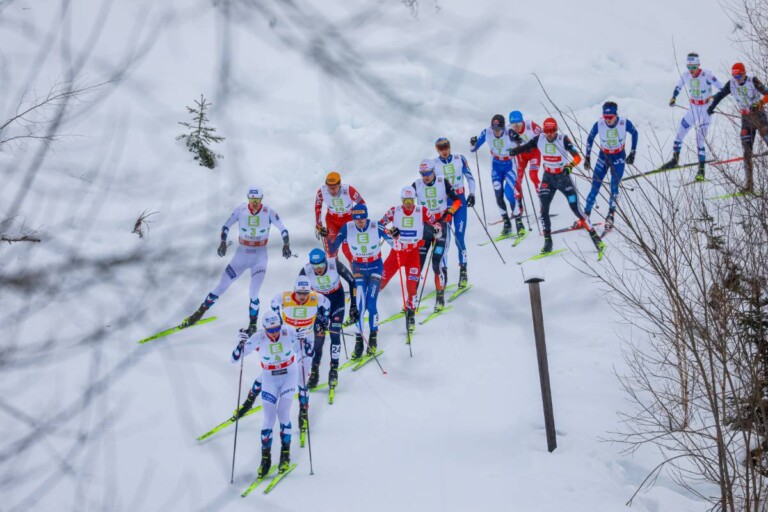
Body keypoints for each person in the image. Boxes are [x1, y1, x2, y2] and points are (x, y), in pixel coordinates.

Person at [182, 186, 291, 334]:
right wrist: (222, 242)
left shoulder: (268, 212)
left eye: (257, 200)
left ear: (261, 200)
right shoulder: (241, 210)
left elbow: (283, 229)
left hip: (259, 257)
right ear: (248, 199)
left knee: (253, 293)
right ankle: (198, 314)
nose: (254, 203)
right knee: (221, 286)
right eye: (252, 200)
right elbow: (226, 226)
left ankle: (252, 325)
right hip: (241, 255)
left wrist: (286, 244)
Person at [509, 118, 605, 254]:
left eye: (552, 131)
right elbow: (527, 147)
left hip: (563, 178)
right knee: (543, 210)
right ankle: (548, 243)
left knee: (576, 210)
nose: (549, 134)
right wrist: (516, 151)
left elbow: (577, 157)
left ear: (556, 129)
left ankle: (597, 240)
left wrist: (570, 167)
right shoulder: (539, 139)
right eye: (547, 131)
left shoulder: (563, 139)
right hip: (548, 178)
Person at [231, 311, 308, 477]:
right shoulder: (259, 337)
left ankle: (285, 455)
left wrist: (304, 341)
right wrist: (241, 344)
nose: (274, 333)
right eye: (270, 330)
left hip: (289, 374)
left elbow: (308, 353)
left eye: (277, 329)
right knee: (268, 418)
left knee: (283, 414)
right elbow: (234, 358)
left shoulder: (289, 331)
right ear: (264, 328)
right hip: (269, 377)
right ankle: (265, 460)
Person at [270, 276, 329, 435]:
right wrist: (279, 323)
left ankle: (303, 412)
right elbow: (273, 303)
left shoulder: (316, 297)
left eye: (305, 293)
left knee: (302, 379)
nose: (303, 296)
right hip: (288, 341)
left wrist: (323, 319)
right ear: (295, 290)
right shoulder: (285, 297)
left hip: (306, 340)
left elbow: (327, 304)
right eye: (300, 293)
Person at [378, 186, 439, 331]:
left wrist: (437, 230)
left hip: (413, 254)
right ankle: (366, 305)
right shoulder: (394, 211)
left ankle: (410, 315)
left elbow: (436, 222)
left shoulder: (421, 211)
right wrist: (390, 230)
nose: (408, 204)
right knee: (381, 281)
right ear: (402, 200)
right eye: (405, 201)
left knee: (412, 287)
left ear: (414, 200)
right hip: (397, 253)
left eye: (411, 201)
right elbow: (380, 226)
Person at [327, 203, 383, 359]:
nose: (360, 222)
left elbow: (393, 239)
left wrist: (396, 235)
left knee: (371, 303)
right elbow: (333, 247)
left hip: (375, 267)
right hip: (358, 268)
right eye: (357, 219)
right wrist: (326, 236)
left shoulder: (375, 225)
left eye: (363, 219)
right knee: (360, 304)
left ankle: (372, 338)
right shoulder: (347, 227)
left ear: (367, 216)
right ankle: (359, 341)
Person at [299, 249, 359, 389]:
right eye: (315, 267)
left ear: (325, 261)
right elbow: (299, 294)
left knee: (334, 333)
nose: (318, 269)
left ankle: (333, 371)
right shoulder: (305, 271)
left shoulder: (334, 264)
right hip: (319, 304)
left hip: (336, 300)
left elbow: (352, 282)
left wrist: (353, 306)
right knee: (318, 339)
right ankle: (314, 373)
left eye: (320, 266)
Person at [662, 52, 724, 180]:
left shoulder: (706, 75)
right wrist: (674, 97)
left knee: (699, 139)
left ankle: (701, 170)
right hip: (693, 108)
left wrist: (712, 98)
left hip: (705, 110)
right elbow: (678, 87)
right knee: (680, 133)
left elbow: (722, 88)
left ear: (698, 65)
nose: (691, 71)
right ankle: (674, 160)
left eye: (693, 67)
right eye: (689, 67)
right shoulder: (686, 75)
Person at [707, 62, 768, 192]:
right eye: (735, 76)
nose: (737, 79)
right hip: (746, 119)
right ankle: (749, 185)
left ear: (744, 73)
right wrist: (711, 107)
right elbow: (720, 95)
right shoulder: (731, 84)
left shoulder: (753, 80)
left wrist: (759, 103)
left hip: (759, 116)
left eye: (739, 76)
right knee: (747, 152)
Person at [411, 159, 461, 311]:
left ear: (433, 171)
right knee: (417, 264)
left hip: (441, 225)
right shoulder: (416, 185)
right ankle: (412, 300)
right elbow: (407, 203)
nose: (425, 177)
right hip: (425, 227)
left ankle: (440, 297)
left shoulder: (442, 182)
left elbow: (457, 200)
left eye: (427, 173)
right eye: (422, 174)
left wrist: (450, 212)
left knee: (436, 262)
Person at [583, 101, 639, 227]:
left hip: (618, 157)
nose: (608, 120)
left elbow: (635, 133)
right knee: (595, 186)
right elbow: (590, 138)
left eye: (610, 117)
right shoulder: (599, 123)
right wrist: (587, 157)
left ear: (615, 115)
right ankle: (586, 214)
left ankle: (610, 215)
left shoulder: (624, 122)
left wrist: (633, 152)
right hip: (604, 156)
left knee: (614, 186)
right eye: (605, 117)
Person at [431, 137, 475, 288]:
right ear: (437, 149)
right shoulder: (434, 165)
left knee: (459, 238)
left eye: (446, 147)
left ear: (450, 147)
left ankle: (463, 272)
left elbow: (470, 177)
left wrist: (472, 193)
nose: (444, 150)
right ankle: (444, 273)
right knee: (445, 241)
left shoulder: (459, 159)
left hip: (460, 202)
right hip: (445, 205)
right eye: (440, 148)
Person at [470, 114, 522, 236]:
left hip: (509, 164)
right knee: (498, 194)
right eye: (494, 129)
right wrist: (473, 143)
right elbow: (473, 149)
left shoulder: (509, 132)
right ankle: (506, 223)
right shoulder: (487, 132)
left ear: (504, 127)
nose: (496, 132)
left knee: (510, 193)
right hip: (496, 165)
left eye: (499, 130)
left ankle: (519, 222)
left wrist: (518, 139)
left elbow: (523, 144)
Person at [314, 171, 365, 269]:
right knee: (331, 251)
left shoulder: (349, 190)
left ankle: (357, 274)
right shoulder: (322, 192)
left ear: (340, 185)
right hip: (332, 220)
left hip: (348, 220)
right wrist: (318, 224)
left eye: (334, 188)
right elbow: (318, 206)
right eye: (329, 188)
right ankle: (334, 270)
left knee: (348, 250)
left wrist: (361, 220)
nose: (332, 191)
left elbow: (362, 204)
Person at [508, 110, 542, 216]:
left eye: (518, 124)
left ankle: (543, 204)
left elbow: (542, 137)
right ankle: (519, 207)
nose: (516, 127)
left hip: (534, 153)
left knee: (533, 176)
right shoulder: (510, 131)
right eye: (513, 125)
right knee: (517, 179)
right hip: (521, 155)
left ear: (522, 122)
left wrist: (530, 146)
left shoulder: (531, 125)